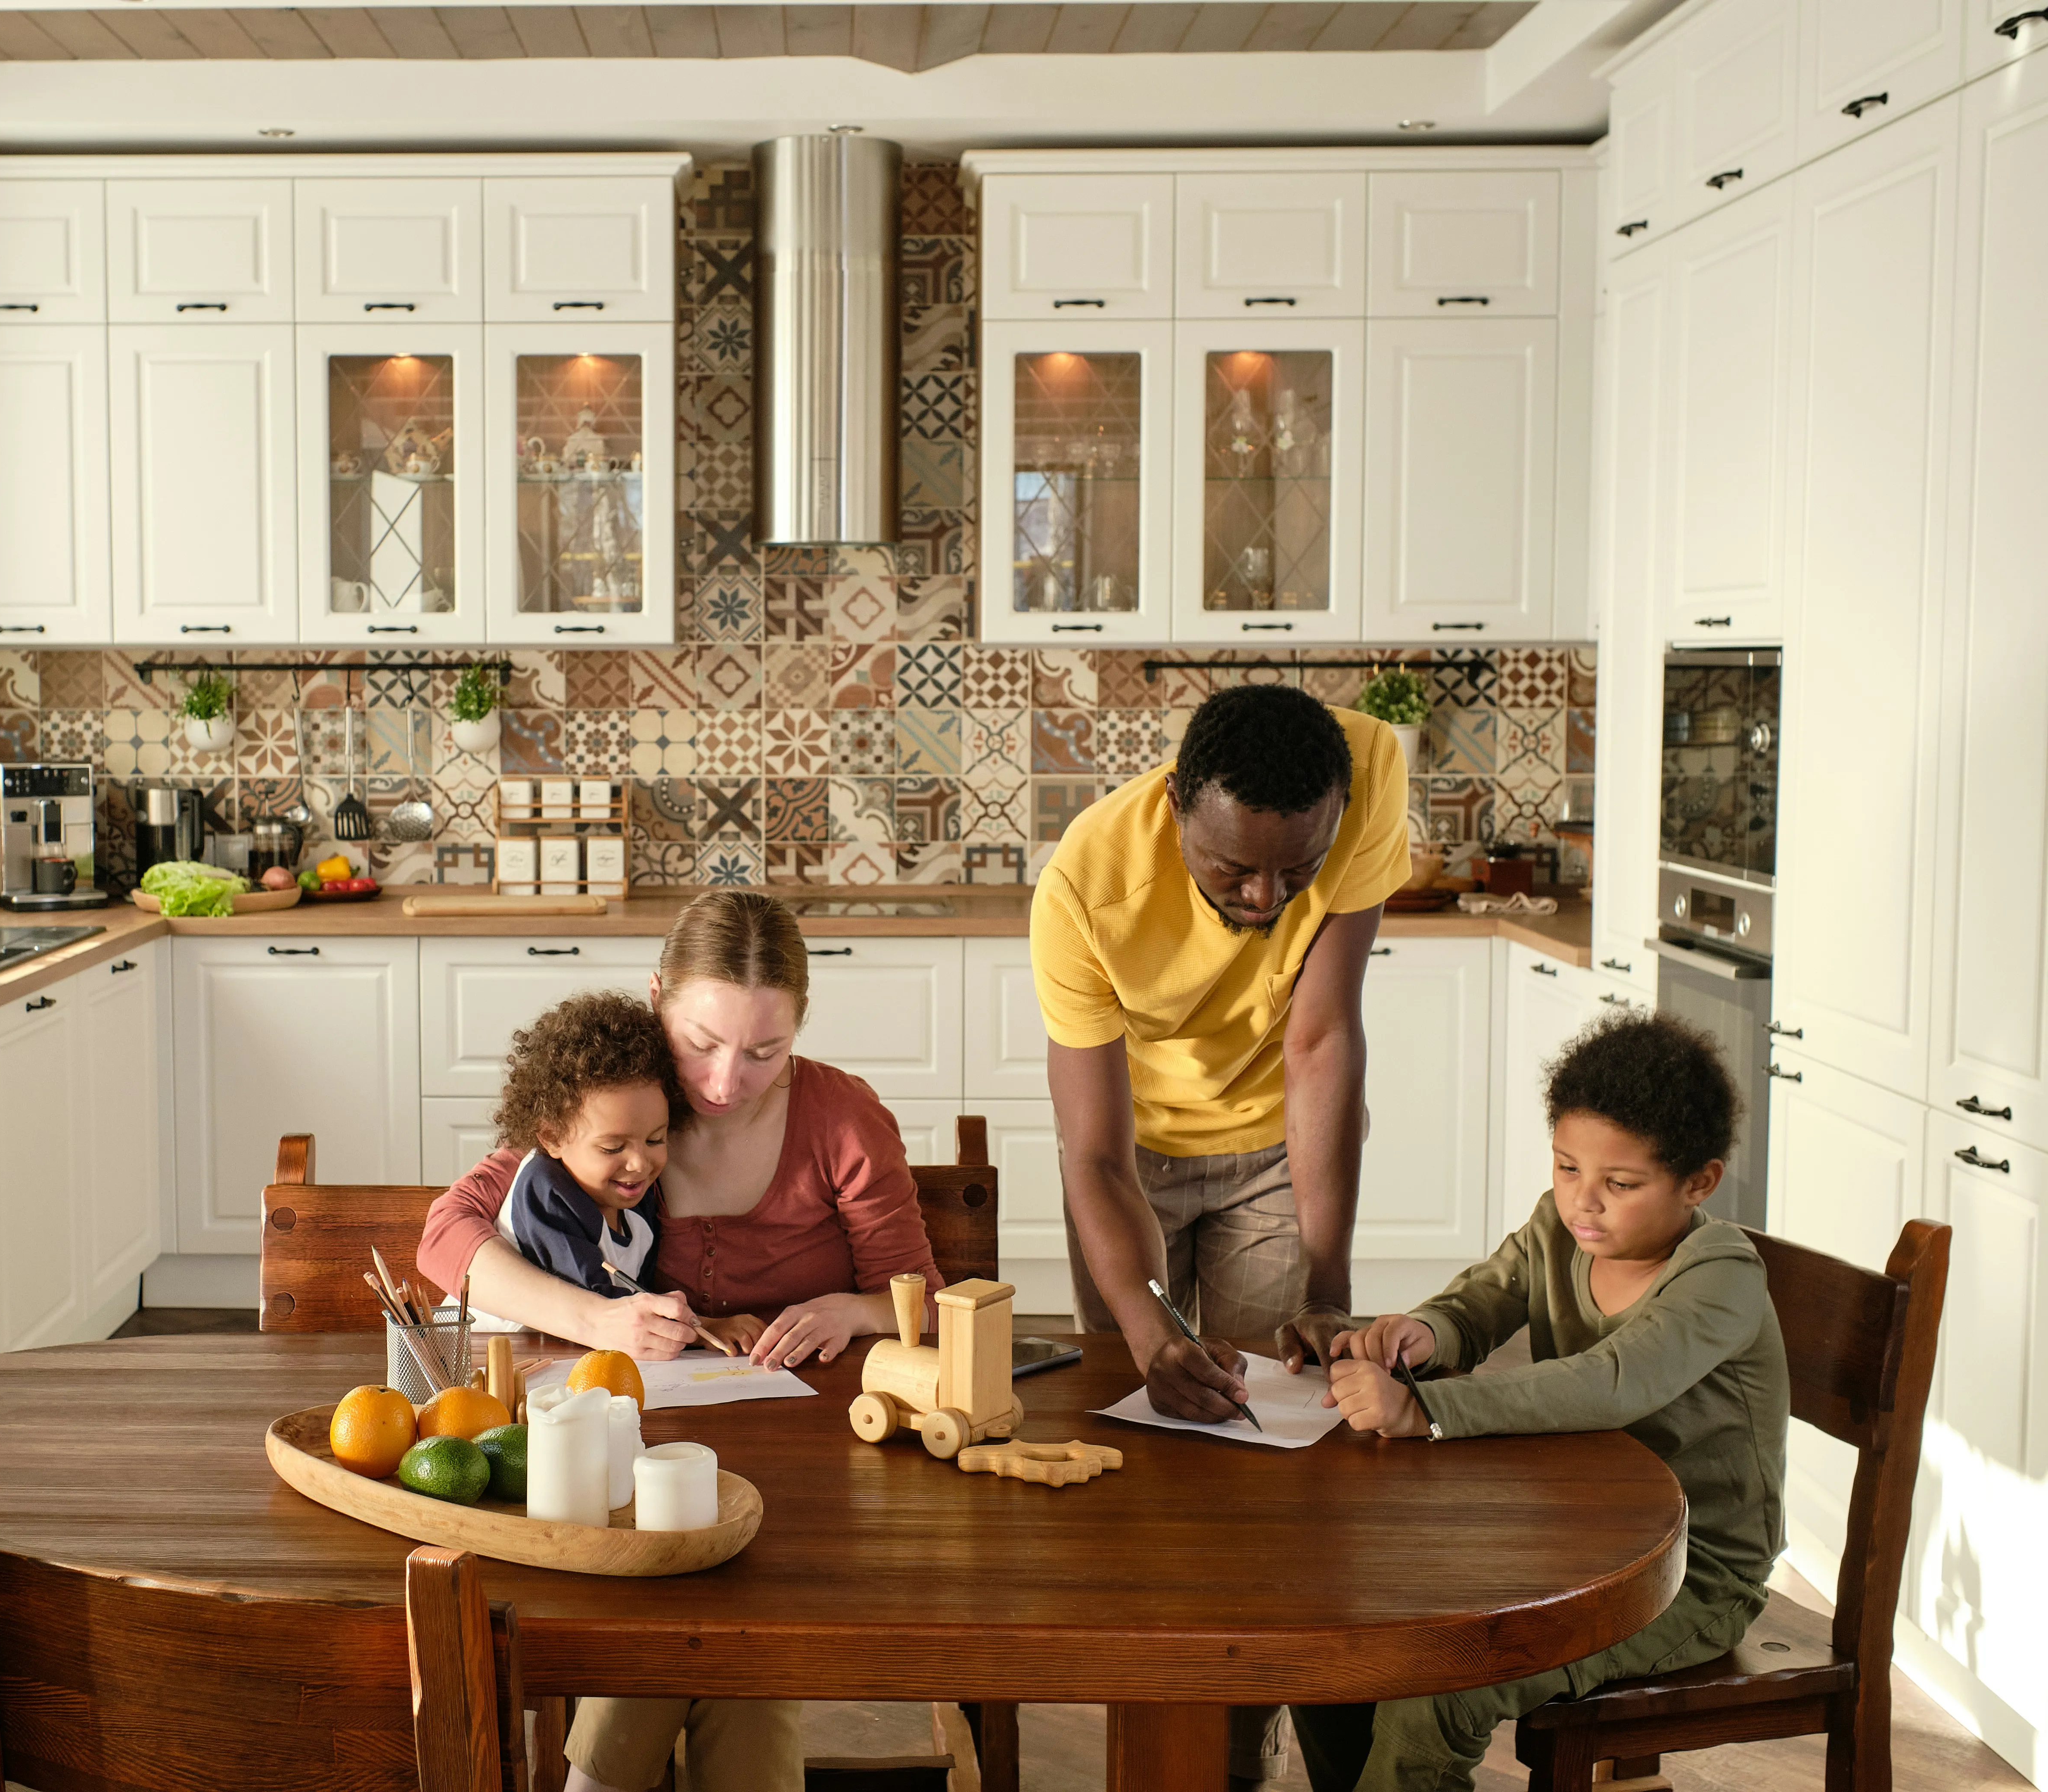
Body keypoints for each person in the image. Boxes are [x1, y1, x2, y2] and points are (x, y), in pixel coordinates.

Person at [416, 890, 944, 1792]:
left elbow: (921, 1296)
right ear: (658, 997)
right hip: (633, 1457)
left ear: (801, 1027)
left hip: (808, 1466)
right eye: (700, 1043)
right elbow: (445, 1239)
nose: (726, 1081)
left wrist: (846, 1310)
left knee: (717, 1582)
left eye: (765, 1050)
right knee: (706, 1587)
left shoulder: (840, 1118)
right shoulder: (614, 1102)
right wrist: (598, 1322)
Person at [1034, 683, 1407, 1786]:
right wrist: (1146, 1324)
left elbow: (1323, 1039)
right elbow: (1092, 1158)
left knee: (1273, 1464)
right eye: (1231, 871)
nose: (1266, 897)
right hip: (1131, 1157)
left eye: (1296, 871)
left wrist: (1327, 1284)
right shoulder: (1086, 887)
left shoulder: (1368, 768)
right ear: (1176, 807)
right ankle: (1156, 1737)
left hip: (1273, 1147)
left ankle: (1242, 1748)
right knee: (1143, 1440)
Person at [1295, 1010, 1787, 1792]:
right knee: (1334, 1636)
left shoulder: (1721, 1274)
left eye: (1619, 1185)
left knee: (1441, 1690)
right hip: (1570, 1544)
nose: (1582, 1203)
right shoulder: (1557, 1233)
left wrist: (1426, 1412)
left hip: (1687, 1578)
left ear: (1699, 1182)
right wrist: (1420, 1334)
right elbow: (1481, 1302)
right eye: (1566, 1169)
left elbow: (1612, 1381)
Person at [479, 989, 744, 1354]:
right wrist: (704, 1330)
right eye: (612, 1148)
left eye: (655, 1140)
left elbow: (638, 1297)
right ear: (553, 1137)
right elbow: (605, 1307)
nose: (639, 1164)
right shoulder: (546, 1188)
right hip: (487, 1361)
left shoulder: (635, 1195)